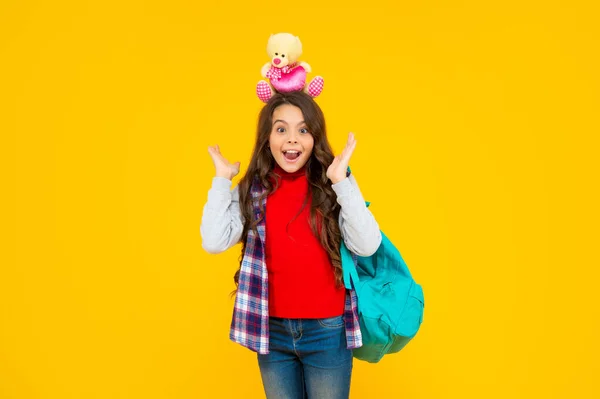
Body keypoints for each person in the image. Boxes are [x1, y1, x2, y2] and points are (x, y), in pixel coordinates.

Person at [200, 91, 381, 398]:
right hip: (272, 332)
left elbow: (367, 246)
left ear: (315, 137)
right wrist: (222, 179)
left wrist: (341, 181)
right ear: (267, 138)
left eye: (303, 130)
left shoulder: (332, 182)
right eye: (281, 129)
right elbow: (214, 241)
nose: (292, 139)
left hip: (327, 331)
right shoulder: (254, 187)